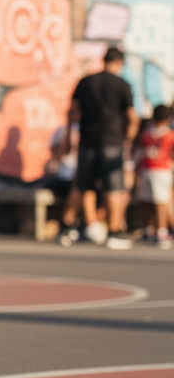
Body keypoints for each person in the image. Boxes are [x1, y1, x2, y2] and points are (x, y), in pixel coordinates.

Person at [67, 46, 138, 249]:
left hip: (87, 140)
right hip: (112, 140)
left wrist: (66, 137)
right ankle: (114, 230)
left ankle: (90, 225)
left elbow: (72, 111)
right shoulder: (122, 84)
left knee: (85, 184)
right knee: (114, 187)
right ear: (119, 63)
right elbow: (132, 117)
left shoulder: (86, 81)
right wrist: (128, 140)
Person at [134, 104, 174, 248]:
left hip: (155, 169)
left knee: (155, 201)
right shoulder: (153, 134)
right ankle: (154, 231)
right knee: (152, 201)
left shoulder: (162, 134)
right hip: (154, 169)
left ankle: (155, 231)